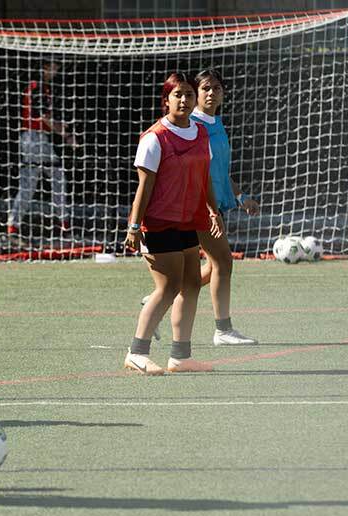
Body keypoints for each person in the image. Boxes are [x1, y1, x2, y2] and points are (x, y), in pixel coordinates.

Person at [123, 72, 224, 376]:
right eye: (177, 94)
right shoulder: (155, 137)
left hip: (188, 220)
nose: (184, 100)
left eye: (188, 94)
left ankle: (180, 356)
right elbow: (144, 187)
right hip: (158, 222)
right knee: (168, 288)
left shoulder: (200, 133)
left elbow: (205, 177)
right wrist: (134, 226)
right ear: (165, 100)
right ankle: (136, 353)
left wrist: (213, 210)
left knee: (191, 284)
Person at [190, 69, 258, 346]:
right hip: (197, 206)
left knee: (213, 266)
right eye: (205, 88)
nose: (211, 93)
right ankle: (223, 330)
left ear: (223, 93)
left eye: (216, 88)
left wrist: (240, 196)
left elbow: (219, 170)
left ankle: (159, 299)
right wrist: (207, 209)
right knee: (223, 263)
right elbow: (195, 172)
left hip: (213, 205)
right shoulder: (192, 125)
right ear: (196, 93)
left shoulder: (216, 123)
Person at [6, 60, 76, 237]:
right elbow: (43, 116)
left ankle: (13, 226)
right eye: (54, 66)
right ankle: (64, 224)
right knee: (56, 177)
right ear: (45, 67)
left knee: (32, 184)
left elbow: (44, 116)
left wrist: (60, 125)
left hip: (35, 138)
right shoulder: (37, 87)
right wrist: (66, 135)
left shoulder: (42, 88)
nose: (57, 70)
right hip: (34, 139)